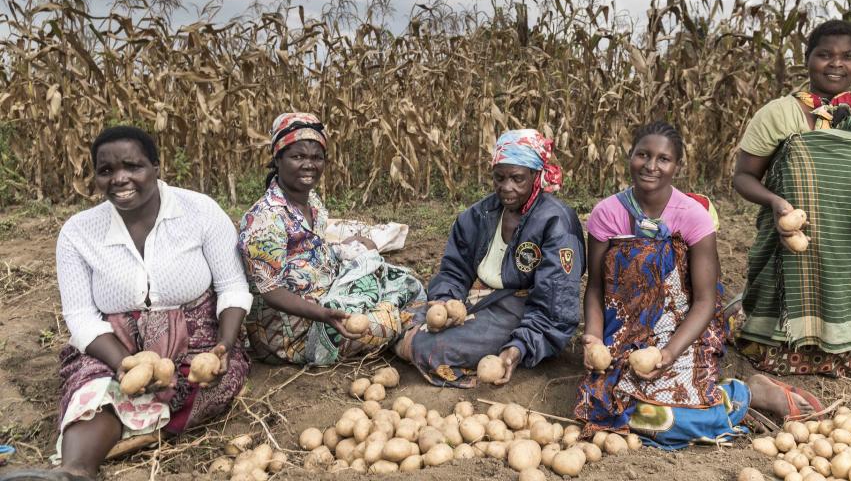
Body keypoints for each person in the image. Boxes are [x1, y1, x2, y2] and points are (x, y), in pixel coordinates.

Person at [575, 122, 820, 449]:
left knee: (671, 419)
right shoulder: (607, 213)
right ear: (629, 157)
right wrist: (593, 338)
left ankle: (747, 393)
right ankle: (733, 400)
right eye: (642, 155)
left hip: (682, 330)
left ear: (676, 166)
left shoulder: (692, 216)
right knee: (603, 410)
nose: (651, 166)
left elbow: (705, 301)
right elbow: (595, 289)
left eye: (663, 159)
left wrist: (667, 354)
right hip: (623, 332)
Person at [45, 126, 252, 480]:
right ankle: (75, 471)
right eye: (106, 171)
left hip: (197, 343)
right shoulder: (78, 232)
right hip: (114, 346)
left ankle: (139, 422)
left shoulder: (200, 211)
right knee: (96, 391)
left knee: (203, 385)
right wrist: (123, 364)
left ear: (156, 167)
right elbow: (80, 317)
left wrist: (224, 347)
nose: (119, 179)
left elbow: (232, 286)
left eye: (133, 166)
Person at [731, 19, 851, 377]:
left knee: (850, 302)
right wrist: (775, 203)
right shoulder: (779, 113)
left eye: (848, 56)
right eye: (825, 55)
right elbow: (743, 176)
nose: (837, 63)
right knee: (768, 338)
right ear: (807, 59)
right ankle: (773, 350)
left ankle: (849, 351)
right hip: (790, 243)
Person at [394, 129, 585, 388]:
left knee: (428, 345)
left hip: (521, 310)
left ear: (535, 176)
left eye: (517, 179)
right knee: (397, 321)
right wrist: (445, 301)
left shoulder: (556, 222)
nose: (507, 188)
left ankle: (501, 347)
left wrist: (519, 346)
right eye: (500, 177)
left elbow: (555, 305)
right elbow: (454, 269)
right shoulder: (479, 215)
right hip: (477, 299)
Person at [238, 113, 425, 365]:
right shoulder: (265, 219)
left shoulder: (311, 202)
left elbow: (312, 250)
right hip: (289, 334)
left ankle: (391, 315)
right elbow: (271, 291)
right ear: (277, 159)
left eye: (316, 157)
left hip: (326, 297)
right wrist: (324, 314)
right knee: (386, 323)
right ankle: (398, 326)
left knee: (402, 279)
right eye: (298, 156)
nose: (309, 165)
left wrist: (345, 248)